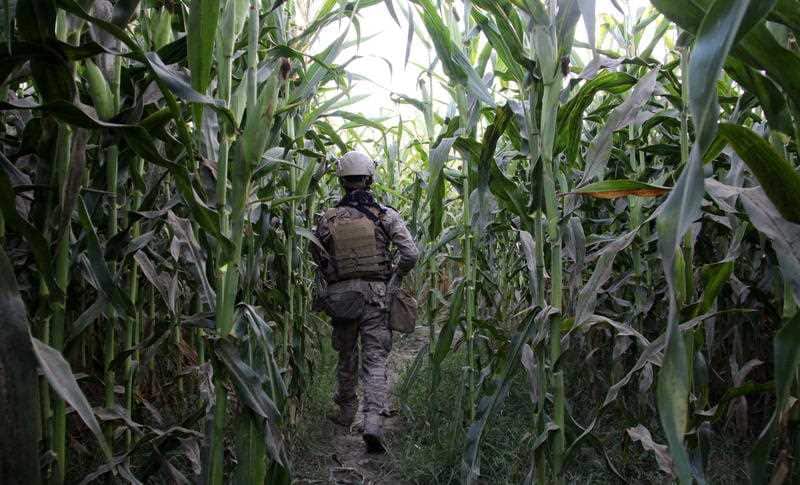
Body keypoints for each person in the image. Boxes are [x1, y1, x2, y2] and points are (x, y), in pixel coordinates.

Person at [310, 151, 419, 453]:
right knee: (375, 360)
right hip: (376, 296)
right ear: (369, 179)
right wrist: (395, 277)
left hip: (341, 297)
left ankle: (345, 414)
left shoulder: (327, 218)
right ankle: (372, 423)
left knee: (346, 356)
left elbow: (318, 256)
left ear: (342, 181)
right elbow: (410, 254)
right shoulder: (386, 215)